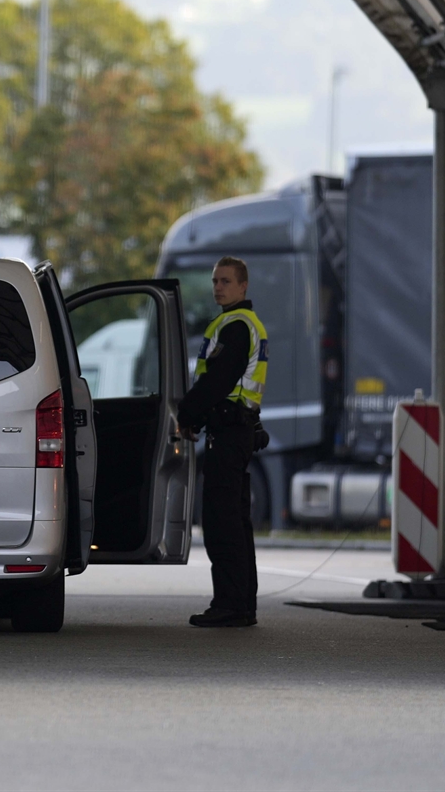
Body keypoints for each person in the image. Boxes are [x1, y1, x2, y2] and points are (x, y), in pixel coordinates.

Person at [178, 256, 269, 628]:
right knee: (236, 522)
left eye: (226, 281)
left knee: (221, 523)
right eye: (215, 281)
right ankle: (242, 604)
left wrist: (187, 413)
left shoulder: (236, 326)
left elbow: (218, 381)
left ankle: (230, 604)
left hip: (229, 433)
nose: (218, 287)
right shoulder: (240, 323)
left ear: (243, 286)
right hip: (236, 430)